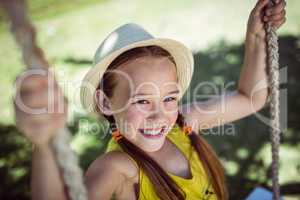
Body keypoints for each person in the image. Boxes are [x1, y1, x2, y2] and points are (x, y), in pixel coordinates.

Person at [14, 0, 286, 199]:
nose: (159, 116)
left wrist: (256, 36)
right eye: (142, 101)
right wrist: (44, 144)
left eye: (169, 98)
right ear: (106, 103)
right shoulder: (119, 167)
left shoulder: (183, 125)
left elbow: (250, 97)